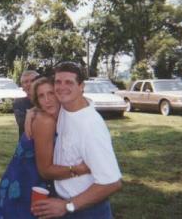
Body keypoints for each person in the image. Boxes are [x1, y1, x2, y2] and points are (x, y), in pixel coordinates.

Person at [32, 62, 122, 218]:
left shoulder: (90, 126)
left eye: (69, 82)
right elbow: (42, 103)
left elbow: (112, 183)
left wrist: (68, 205)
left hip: (86, 210)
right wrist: (31, 112)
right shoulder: (66, 108)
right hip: (64, 201)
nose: (61, 87)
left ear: (81, 86)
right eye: (58, 82)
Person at [0, 77, 90, 218]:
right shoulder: (45, 120)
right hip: (25, 184)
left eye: (51, 93)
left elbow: (85, 103)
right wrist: (79, 170)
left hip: (41, 183)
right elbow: (44, 170)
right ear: (37, 101)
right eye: (41, 96)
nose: (47, 100)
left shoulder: (62, 117)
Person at [13, 70, 39, 139]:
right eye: (25, 82)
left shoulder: (48, 100)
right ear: (22, 87)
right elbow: (23, 125)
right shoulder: (18, 102)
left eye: (32, 80)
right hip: (27, 144)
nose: (29, 84)